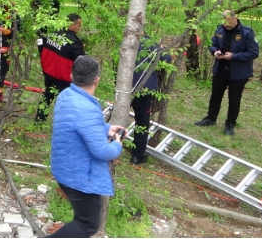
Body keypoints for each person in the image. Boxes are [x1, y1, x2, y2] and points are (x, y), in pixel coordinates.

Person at [49, 55, 124, 238]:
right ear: (96, 81)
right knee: (87, 225)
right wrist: (117, 144)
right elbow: (102, 151)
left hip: (64, 167)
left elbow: (77, 125)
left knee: (83, 220)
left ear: (71, 75)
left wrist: (106, 129)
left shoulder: (66, 95)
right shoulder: (87, 108)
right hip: (80, 176)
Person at [195, 10, 260, 136]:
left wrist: (234, 56)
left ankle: (230, 124)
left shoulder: (247, 32)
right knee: (215, 95)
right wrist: (215, 52)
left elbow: (254, 53)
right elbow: (211, 45)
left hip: (238, 72)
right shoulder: (220, 30)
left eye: (229, 23)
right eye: (225, 23)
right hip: (220, 68)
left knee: (234, 99)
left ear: (235, 18)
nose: (226, 25)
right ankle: (210, 118)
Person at [128, 36, 172, 164]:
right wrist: (162, 49)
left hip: (125, 86)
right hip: (143, 89)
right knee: (142, 121)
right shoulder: (148, 43)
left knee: (119, 116)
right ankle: (137, 155)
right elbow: (166, 59)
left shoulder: (124, 40)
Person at [35, 13, 85, 122]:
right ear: (72, 25)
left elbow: (40, 45)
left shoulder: (53, 33)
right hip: (63, 77)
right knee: (63, 102)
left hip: (48, 73)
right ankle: (61, 123)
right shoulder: (74, 41)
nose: (79, 28)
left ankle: (39, 121)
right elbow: (81, 60)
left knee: (47, 96)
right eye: (79, 25)